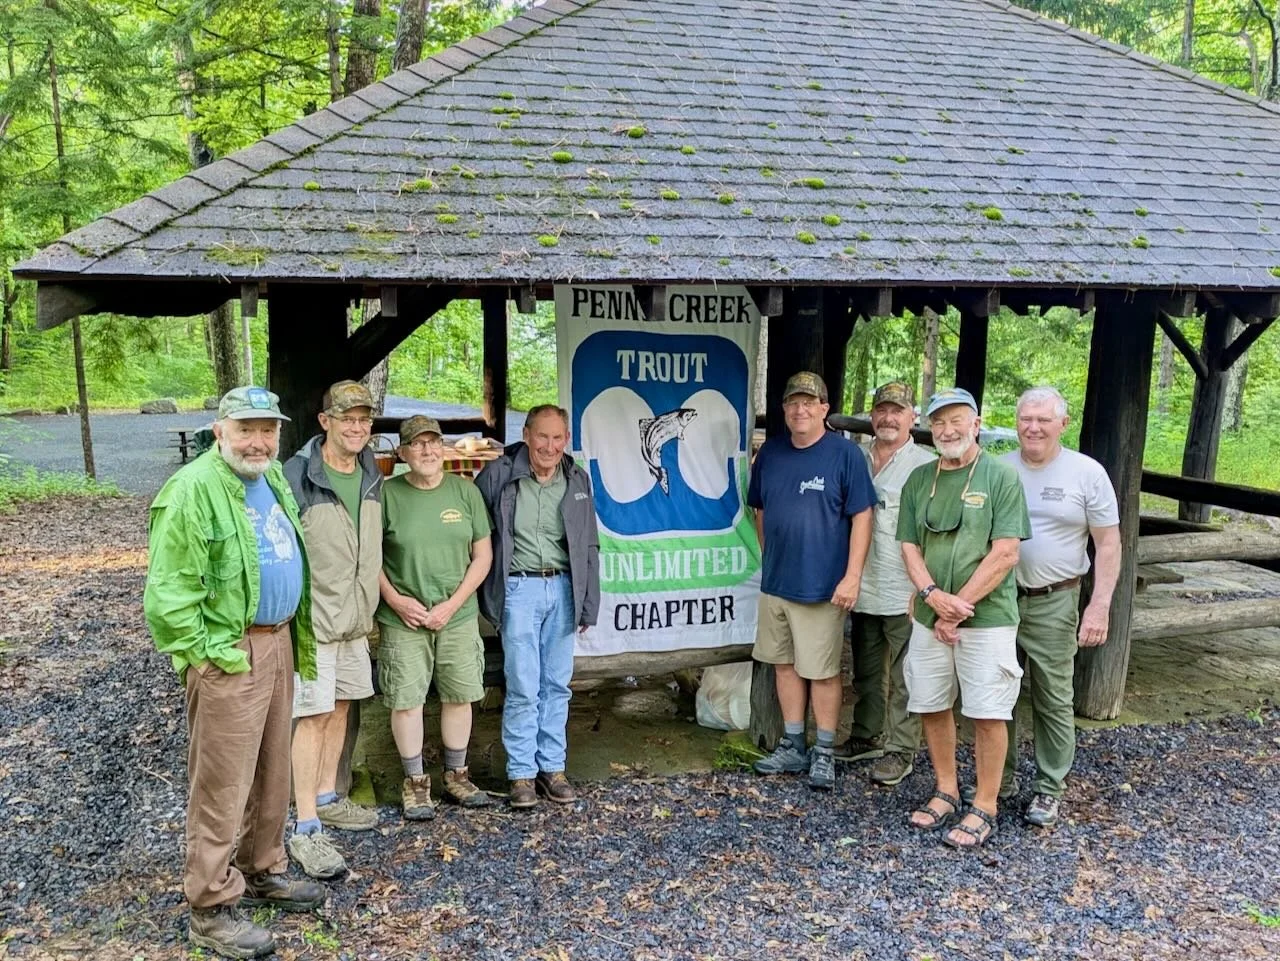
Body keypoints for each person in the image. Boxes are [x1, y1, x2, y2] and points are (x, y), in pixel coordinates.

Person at [143, 386, 323, 959]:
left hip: (278, 644)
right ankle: (211, 906)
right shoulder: (192, 489)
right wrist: (206, 655)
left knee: (272, 770)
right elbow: (167, 594)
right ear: (219, 431)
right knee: (222, 783)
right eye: (246, 428)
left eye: (268, 429)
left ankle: (262, 866)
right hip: (229, 652)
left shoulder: (269, 480)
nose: (258, 440)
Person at [898, 387, 1030, 849]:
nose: (947, 430)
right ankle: (947, 790)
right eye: (938, 422)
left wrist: (959, 607)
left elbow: (1006, 552)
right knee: (932, 703)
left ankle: (986, 804)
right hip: (929, 614)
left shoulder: (1000, 478)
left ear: (976, 424)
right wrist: (933, 597)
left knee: (987, 711)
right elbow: (909, 546)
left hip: (986, 618)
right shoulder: (920, 479)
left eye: (957, 420)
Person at [748, 371, 875, 791]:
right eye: (792, 402)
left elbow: (862, 516)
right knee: (784, 665)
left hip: (823, 585)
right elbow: (760, 509)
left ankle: (823, 749)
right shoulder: (771, 454)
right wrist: (771, 558)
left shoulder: (845, 456)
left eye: (809, 402)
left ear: (824, 409)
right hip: (777, 584)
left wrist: (852, 576)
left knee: (821, 671)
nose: (800, 409)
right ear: (784, 410)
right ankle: (792, 743)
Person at [1000, 386, 1120, 827]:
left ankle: (1049, 787)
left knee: (1052, 696)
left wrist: (1099, 605)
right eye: (1025, 418)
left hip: (1056, 598)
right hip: (1000, 599)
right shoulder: (998, 469)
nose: (1032, 427)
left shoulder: (1086, 473)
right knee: (998, 694)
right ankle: (1000, 779)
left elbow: (1108, 544)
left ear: (1062, 424)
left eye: (1043, 420)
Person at [475, 405, 600, 809]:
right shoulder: (498, 474)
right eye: (541, 436)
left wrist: (588, 602)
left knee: (558, 684)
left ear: (567, 440)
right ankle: (521, 774)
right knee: (523, 685)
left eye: (557, 437)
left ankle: (552, 768)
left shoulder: (577, 478)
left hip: (563, 588)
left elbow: (589, 546)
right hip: (519, 588)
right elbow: (476, 536)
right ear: (526, 434)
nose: (549, 446)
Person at [282, 380, 383, 880]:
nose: (357, 426)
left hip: (355, 619)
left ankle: (326, 796)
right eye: (347, 418)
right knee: (314, 714)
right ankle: (305, 827)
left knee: (342, 705)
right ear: (325, 421)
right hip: (314, 620)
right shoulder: (297, 475)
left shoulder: (370, 470)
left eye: (364, 418)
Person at [378, 415, 495, 818]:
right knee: (406, 700)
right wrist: (396, 601)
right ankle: (415, 783)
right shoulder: (386, 494)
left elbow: (483, 556)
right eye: (417, 444)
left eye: (433, 443)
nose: (426, 451)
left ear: (443, 448)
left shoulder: (465, 492)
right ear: (403, 452)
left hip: (457, 614)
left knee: (459, 695)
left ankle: (456, 775)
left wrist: (453, 603)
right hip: (404, 618)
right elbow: (369, 559)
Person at [840, 381, 935, 787]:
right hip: (862, 585)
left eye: (897, 411)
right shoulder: (855, 458)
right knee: (864, 670)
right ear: (871, 417)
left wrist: (924, 586)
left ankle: (901, 749)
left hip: (905, 589)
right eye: (881, 410)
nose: (888, 418)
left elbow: (934, 531)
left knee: (904, 675)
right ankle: (866, 735)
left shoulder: (926, 465)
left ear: (912, 417)